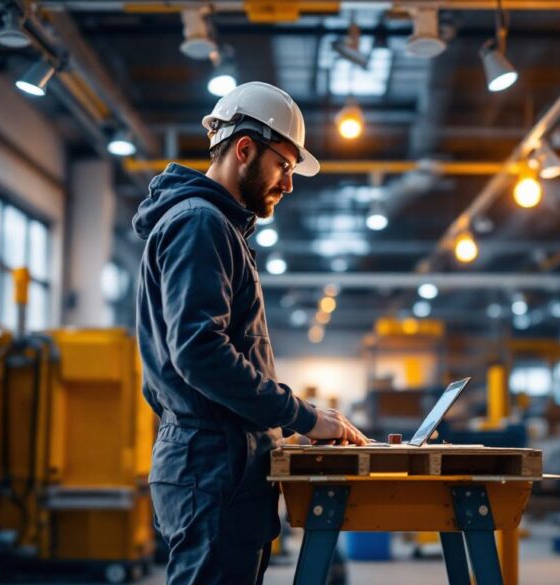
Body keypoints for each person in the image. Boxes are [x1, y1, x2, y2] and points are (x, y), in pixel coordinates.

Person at [133, 81, 369, 585]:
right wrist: (300, 416)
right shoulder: (201, 224)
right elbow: (201, 353)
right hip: (210, 465)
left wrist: (289, 424)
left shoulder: (217, 227)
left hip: (223, 462)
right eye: (284, 165)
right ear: (245, 149)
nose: (288, 183)